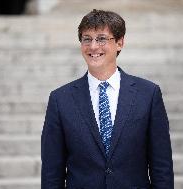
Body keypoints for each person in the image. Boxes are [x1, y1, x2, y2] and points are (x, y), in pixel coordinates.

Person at [41, 9, 174, 189]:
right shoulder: (60, 99)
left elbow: (162, 167)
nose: (93, 46)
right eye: (87, 39)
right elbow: (51, 173)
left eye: (102, 38)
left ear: (120, 42)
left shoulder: (148, 94)